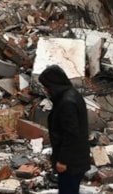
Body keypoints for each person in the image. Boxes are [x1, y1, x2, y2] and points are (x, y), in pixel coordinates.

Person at [39, 65, 90, 194]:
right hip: (75, 159)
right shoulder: (70, 95)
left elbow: (71, 134)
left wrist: (63, 161)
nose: (45, 90)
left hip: (71, 162)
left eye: (46, 86)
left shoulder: (67, 102)